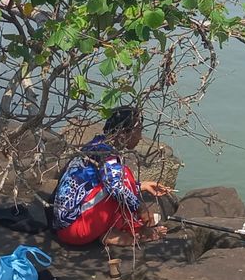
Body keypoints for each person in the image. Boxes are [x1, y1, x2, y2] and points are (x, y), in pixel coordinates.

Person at [51, 105, 175, 248]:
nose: (140, 137)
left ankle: (113, 230)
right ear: (123, 133)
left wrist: (143, 185)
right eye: (138, 131)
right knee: (124, 177)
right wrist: (141, 209)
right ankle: (136, 232)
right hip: (76, 229)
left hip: (65, 226)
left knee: (122, 179)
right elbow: (116, 188)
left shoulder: (97, 145)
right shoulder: (108, 157)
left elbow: (103, 184)